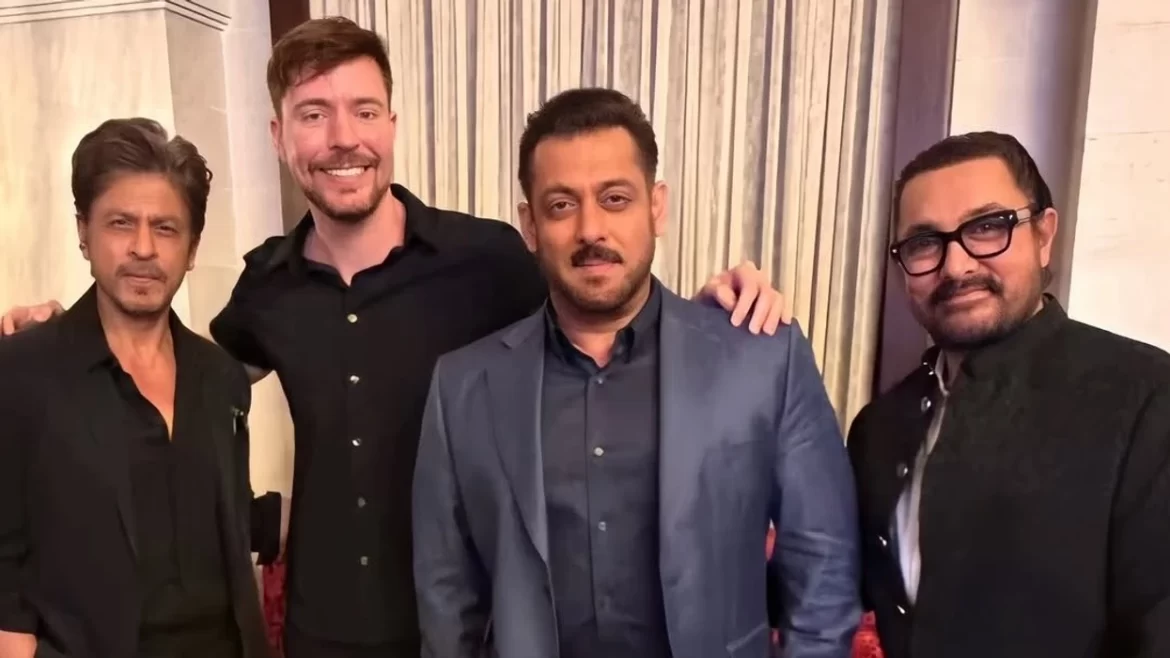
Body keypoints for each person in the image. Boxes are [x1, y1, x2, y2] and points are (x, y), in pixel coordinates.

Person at [0, 17, 787, 658]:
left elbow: (609, 300)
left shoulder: (489, 262)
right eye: (314, 114)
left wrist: (720, 305)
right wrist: (54, 341)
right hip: (318, 632)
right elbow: (164, 368)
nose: (343, 138)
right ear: (280, 136)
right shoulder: (263, 290)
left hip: (466, 626)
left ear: (392, 124)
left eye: (363, 110)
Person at [411, 87, 861, 658]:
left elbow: (822, 565)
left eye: (615, 198)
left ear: (656, 206)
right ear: (529, 226)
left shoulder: (763, 358)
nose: (591, 229)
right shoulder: (461, 388)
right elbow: (448, 599)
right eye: (561, 205)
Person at [847, 131, 1170, 658]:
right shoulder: (880, 428)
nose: (958, 267)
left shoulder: (1146, 400)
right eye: (925, 242)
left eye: (987, 227)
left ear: (1044, 235)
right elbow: (827, 577)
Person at [0, 119, 271, 658]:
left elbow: (230, 532)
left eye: (166, 228)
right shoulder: (23, 371)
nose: (143, 248)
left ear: (192, 248)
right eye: (121, 223)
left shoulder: (221, 379)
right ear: (84, 232)